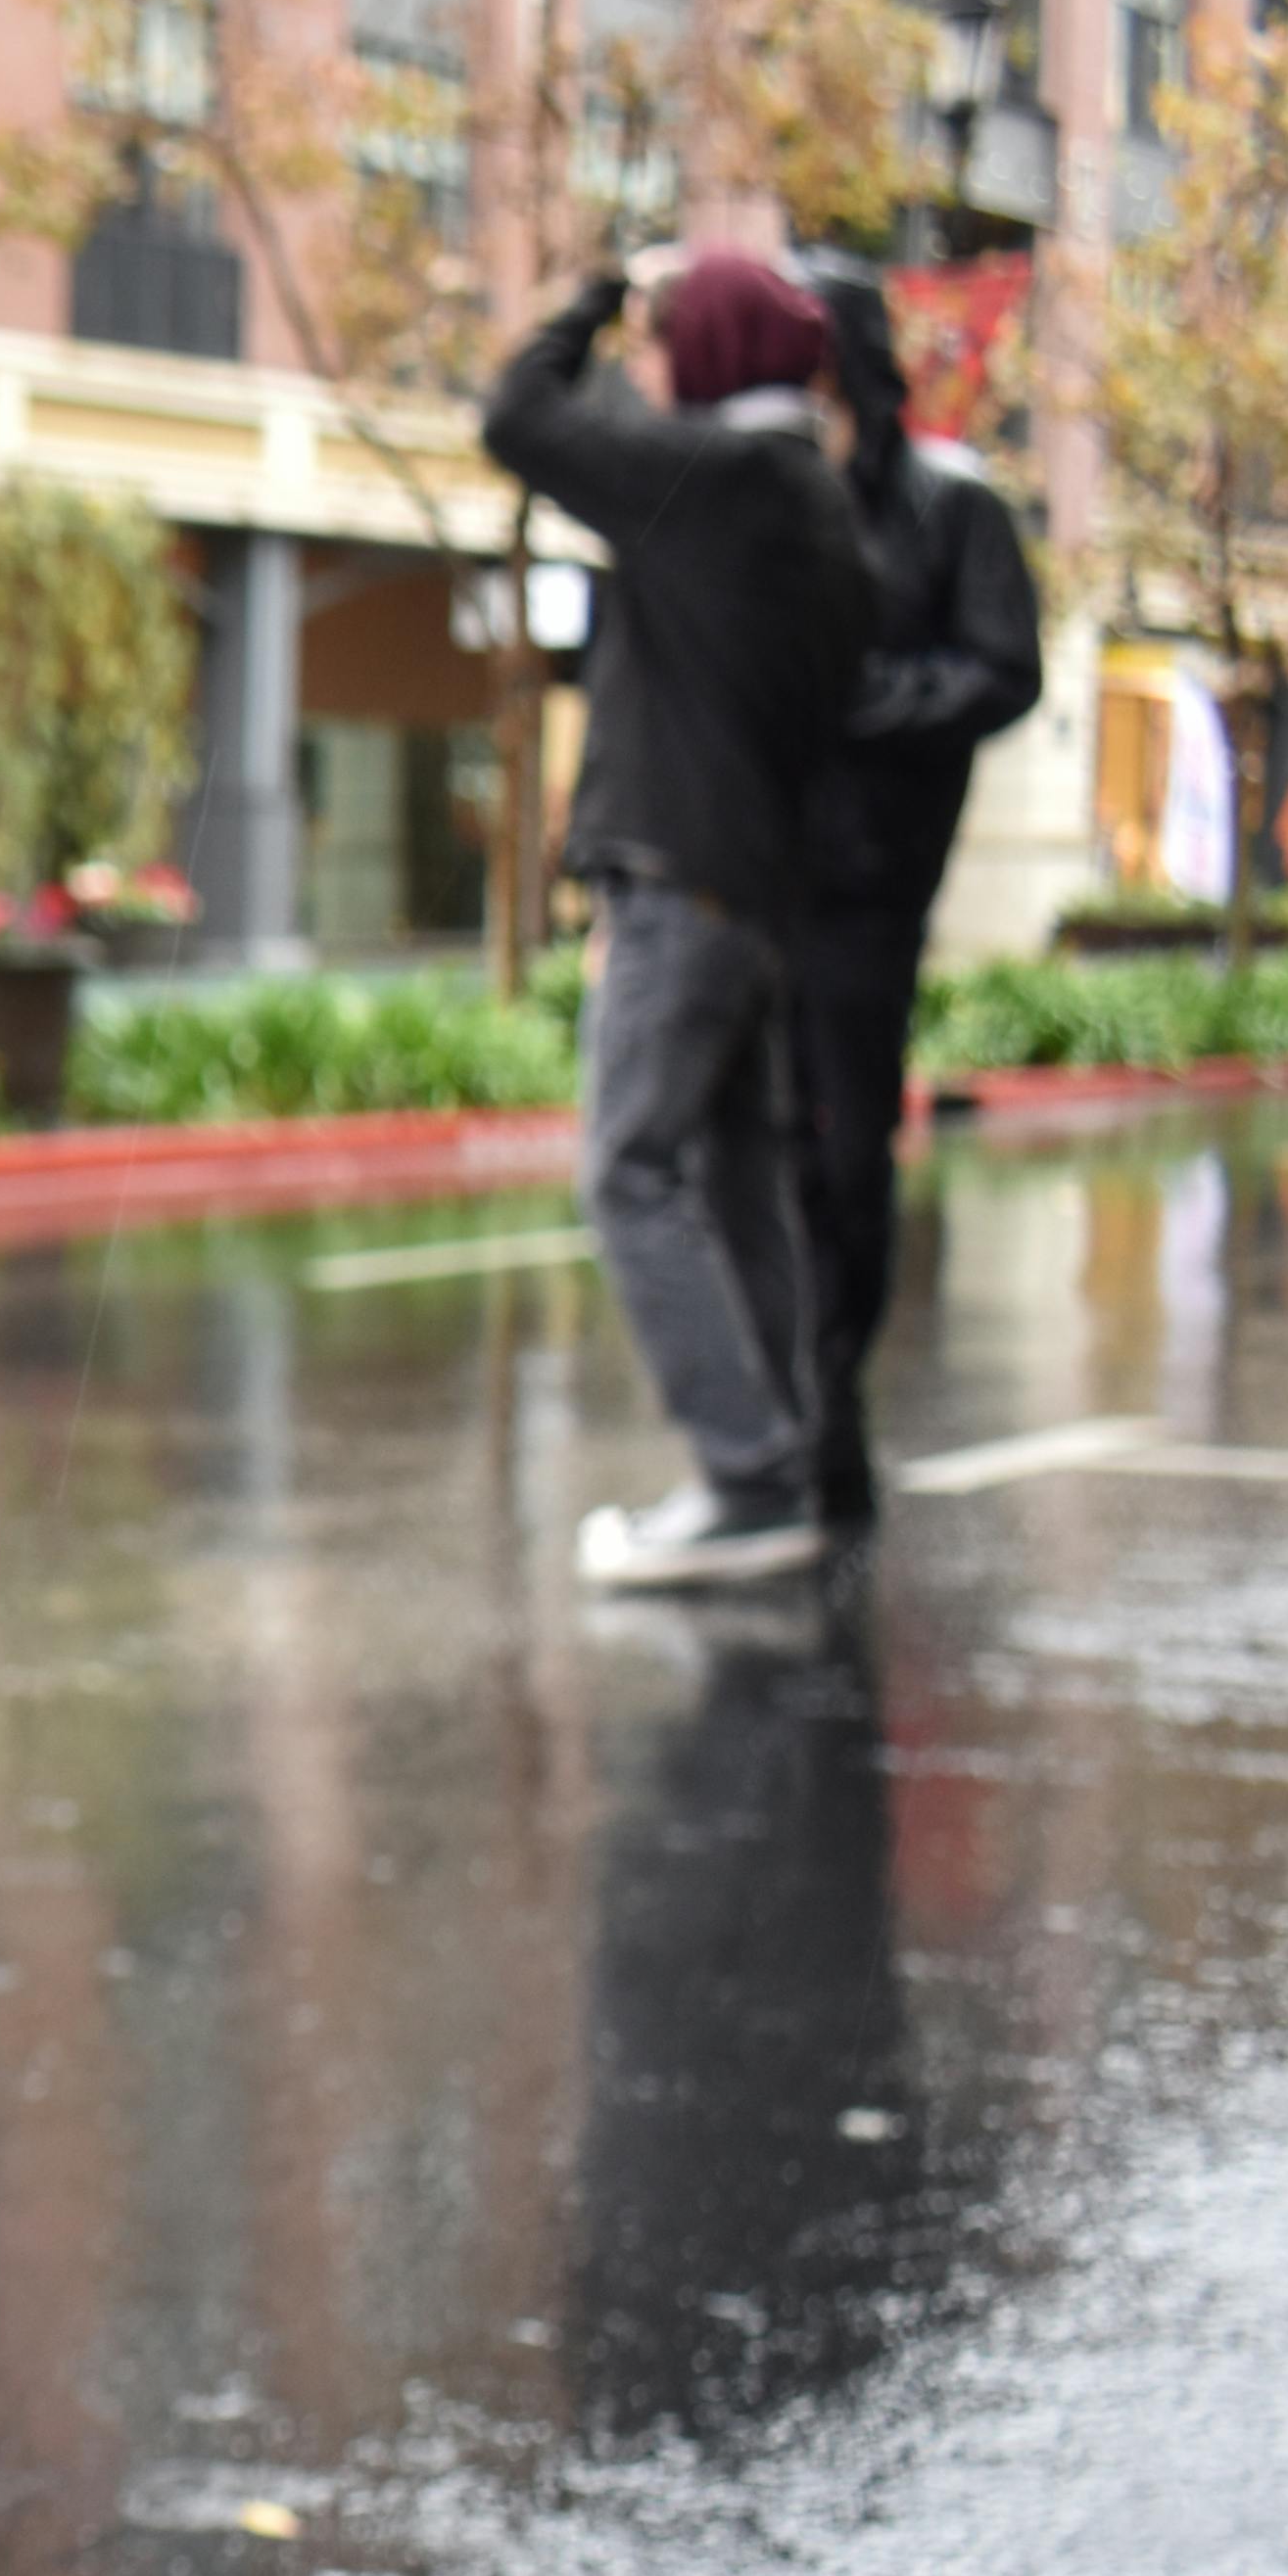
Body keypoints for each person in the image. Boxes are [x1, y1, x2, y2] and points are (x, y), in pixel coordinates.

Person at [478, 247, 873, 1591]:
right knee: (737, 1187)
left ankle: (750, 1481)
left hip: (682, 893)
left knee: (631, 1176)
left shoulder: (720, 482)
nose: (649, 369)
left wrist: (590, 291)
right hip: (756, 903)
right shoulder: (810, 497)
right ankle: (789, 1472)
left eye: (666, 343)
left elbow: (516, 418)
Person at [791, 268, 1045, 1523]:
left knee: (845, 1142)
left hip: (872, 877)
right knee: (759, 1141)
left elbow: (1005, 669)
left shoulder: (951, 502)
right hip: (755, 866)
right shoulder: (769, 481)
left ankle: (830, 1388)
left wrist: (871, 709)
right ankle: (782, 1386)